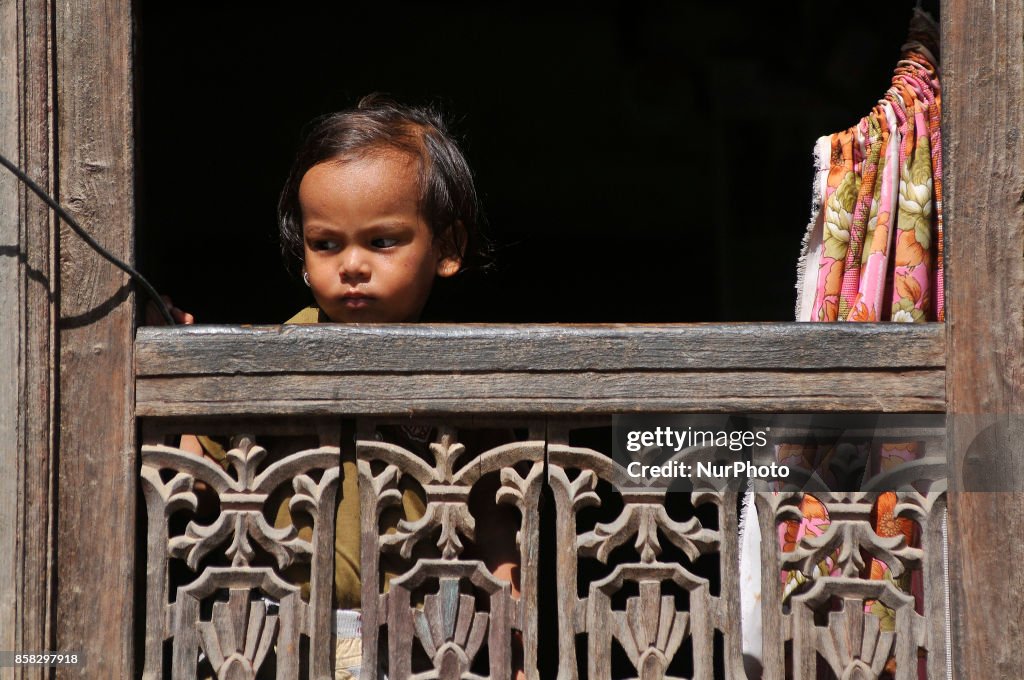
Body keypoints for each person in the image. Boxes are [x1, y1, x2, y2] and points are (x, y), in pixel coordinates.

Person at [158, 95, 521, 679]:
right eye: (327, 244)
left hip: (428, 635)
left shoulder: (464, 373)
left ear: (447, 249)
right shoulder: (269, 356)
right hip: (283, 632)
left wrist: (514, 639)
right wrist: (174, 366)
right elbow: (191, 484)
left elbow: (497, 521)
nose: (351, 264)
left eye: (382, 242)